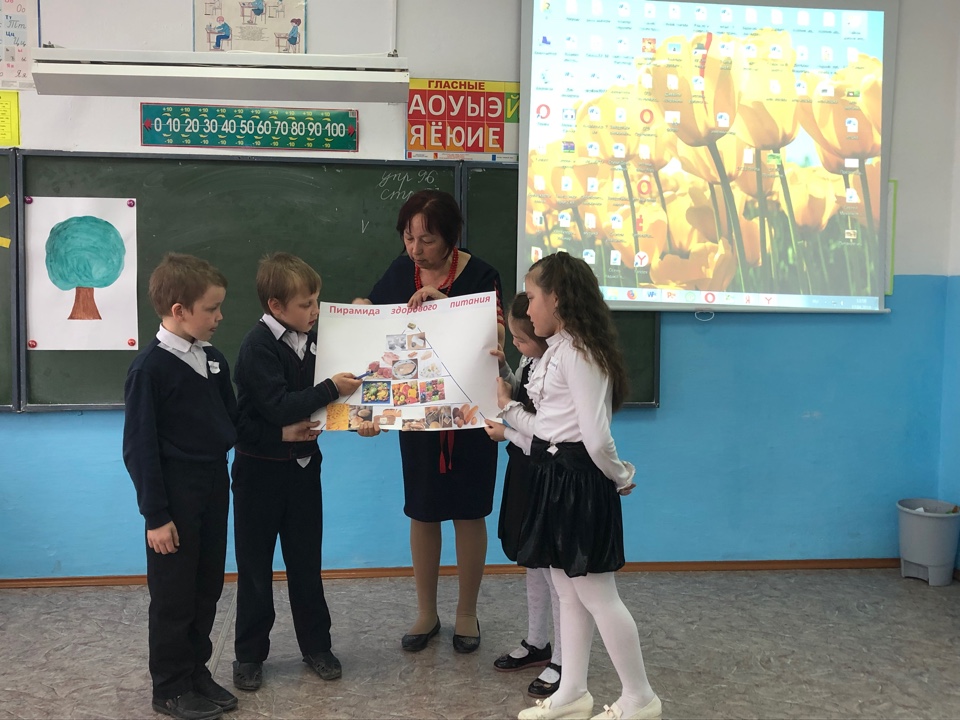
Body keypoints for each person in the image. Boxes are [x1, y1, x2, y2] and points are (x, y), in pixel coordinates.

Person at [499, 252, 661, 720]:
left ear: (557, 298)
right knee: (566, 590)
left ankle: (639, 697)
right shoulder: (559, 350)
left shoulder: (581, 354)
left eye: (532, 297)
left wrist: (620, 475)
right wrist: (508, 412)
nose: (528, 308)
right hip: (556, 478)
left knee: (597, 595)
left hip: (580, 484)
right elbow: (549, 427)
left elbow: (595, 437)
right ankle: (572, 691)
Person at [355, 189, 505, 654]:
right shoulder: (401, 270)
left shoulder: (481, 274)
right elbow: (376, 321)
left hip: (470, 417)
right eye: (408, 237)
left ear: (451, 238)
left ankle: (466, 613)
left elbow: (500, 336)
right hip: (419, 417)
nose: (415, 249)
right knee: (422, 510)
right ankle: (426, 612)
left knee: (469, 511)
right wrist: (360, 311)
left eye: (427, 240)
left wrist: (445, 307)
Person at [231, 252, 362, 692]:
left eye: (317, 301)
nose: (315, 310)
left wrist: (364, 418)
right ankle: (249, 655)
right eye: (306, 304)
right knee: (255, 569)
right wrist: (330, 388)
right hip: (258, 477)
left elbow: (335, 403)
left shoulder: (313, 340)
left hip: (304, 473)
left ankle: (317, 647)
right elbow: (279, 407)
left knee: (307, 564)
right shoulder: (257, 348)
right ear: (276, 306)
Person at [123, 254, 242, 720]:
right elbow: (139, 448)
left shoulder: (212, 359)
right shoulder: (149, 369)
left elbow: (232, 422)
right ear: (179, 310)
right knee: (173, 595)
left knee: (206, 586)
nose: (219, 317)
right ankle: (170, 687)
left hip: (213, 484)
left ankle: (195, 672)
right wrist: (156, 516)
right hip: (173, 495)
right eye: (211, 309)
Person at [485, 293, 563, 700]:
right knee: (531, 558)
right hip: (523, 468)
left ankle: (564, 659)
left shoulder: (560, 371)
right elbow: (518, 395)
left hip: (547, 473)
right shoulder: (533, 361)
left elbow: (546, 434)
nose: (515, 345)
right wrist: (503, 368)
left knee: (554, 568)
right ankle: (537, 642)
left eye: (520, 339)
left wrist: (507, 431)